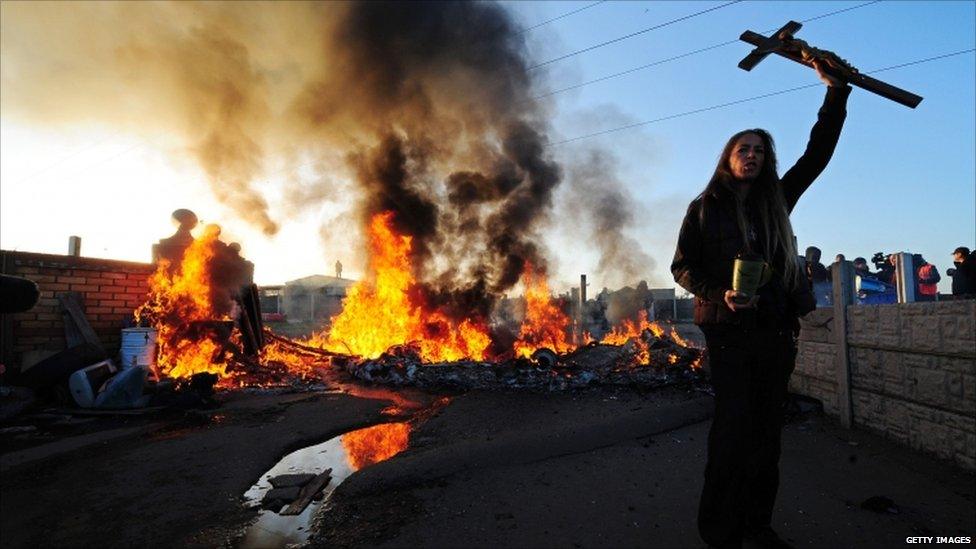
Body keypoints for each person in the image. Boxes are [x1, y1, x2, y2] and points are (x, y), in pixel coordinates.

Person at [671, 60, 850, 549]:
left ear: (767, 160)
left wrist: (836, 93)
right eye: (742, 149)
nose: (750, 156)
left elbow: (818, 153)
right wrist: (717, 294)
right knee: (732, 430)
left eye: (758, 150)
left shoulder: (777, 198)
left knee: (767, 434)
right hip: (727, 331)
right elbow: (681, 268)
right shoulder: (703, 207)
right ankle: (720, 532)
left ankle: (758, 525)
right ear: (727, 157)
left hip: (774, 329)